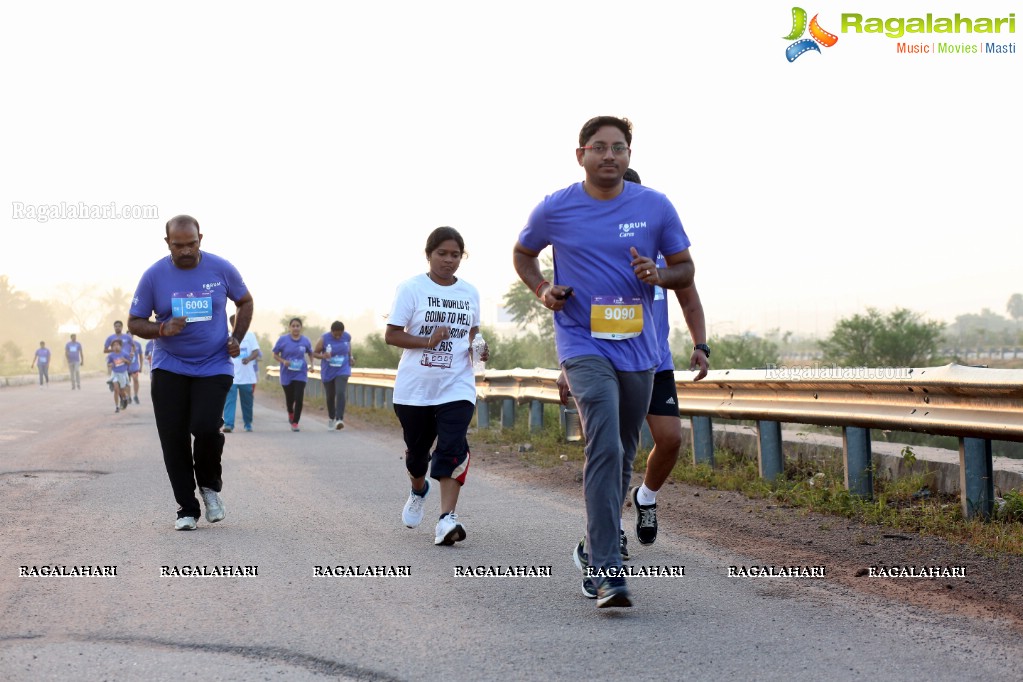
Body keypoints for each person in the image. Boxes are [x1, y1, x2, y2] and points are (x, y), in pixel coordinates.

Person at [513, 116, 694, 608]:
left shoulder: (655, 205)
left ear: (629, 156)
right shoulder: (556, 207)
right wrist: (543, 289)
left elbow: (686, 270)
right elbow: (523, 253)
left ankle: (597, 544)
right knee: (606, 445)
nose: (609, 155)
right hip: (581, 342)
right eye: (599, 147)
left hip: (639, 350)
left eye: (618, 148)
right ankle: (607, 570)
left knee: (622, 452)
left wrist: (658, 273)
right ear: (581, 155)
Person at [557, 168, 710, 570]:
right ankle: (603, 539)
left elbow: (689, 299)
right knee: (612, 449)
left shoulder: (663, 253)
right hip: (602, 361)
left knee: (671, 439)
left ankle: (646, 497)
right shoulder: (592, 254)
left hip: (652, 360)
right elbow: (571, 316)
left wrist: (700, 344)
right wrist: (566, 369)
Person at [128, 214, 253, 531]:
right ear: (167, 242)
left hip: (214, 363)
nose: (185, 251)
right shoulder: (154, 276)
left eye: (191, 244)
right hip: (170, 365)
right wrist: (161, 328)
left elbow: (245, 301)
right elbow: (135, 322)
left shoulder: (220, 268)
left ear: (201, 239)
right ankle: (187, 508)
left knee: (205, 427)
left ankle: (209, 486)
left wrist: (236, 337)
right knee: (174, 438)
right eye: (178, 245)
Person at [385, 226, 488, 546]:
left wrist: (480, 348)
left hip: (456, 385)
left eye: (455, 255)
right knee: (417, 457)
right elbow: (392, 335)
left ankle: (447, 519)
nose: (448, 260)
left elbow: (472, 333)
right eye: (442, 254)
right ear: (428, 254)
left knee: (453, 445)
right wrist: (427, 341)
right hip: (415, 389)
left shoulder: (470, 292)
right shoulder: (411, 288)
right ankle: (418, 491)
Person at [272, 318, 314, 432]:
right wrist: (283, 361)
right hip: (287, 374)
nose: (295, 328)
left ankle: (295, 422)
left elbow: (310, 353)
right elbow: (275, 354)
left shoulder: (305, 340)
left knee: (299, 398)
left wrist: (312, 365)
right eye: (293, 326)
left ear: (301, 327)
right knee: (290, 399)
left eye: (298, 326)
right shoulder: (283, 340)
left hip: (300, 373)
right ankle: (290, 411)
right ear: (290, 327)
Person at [223, 313, 261, 433]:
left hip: (247, 376)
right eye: (234, 321)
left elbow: (256, 352)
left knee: (247, 402)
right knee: (230, 400)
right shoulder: (227, 337)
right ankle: (229, 424)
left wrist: (249, 358)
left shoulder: (250, 336)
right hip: (232, 375)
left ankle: (248, 423)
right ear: (231, 323)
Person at [314, 321, 354, 430]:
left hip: (343, 369)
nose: (338, 336)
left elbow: (348, 348)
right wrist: (323, 356)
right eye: (335, 334)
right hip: (328, 371)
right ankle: (331, 417)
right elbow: (314, 353)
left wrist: (351, 357)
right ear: (331, 331)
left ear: (343, 332)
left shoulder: (347, 337)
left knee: (340, 392)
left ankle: (339, 418)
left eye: (340, 334)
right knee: (330, 396)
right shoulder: (323, 339)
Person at [104, 321, 134, 392]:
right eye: (116, 326)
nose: (117, 328)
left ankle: (126, 396)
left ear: (122, 327)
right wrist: (114, 350)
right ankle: (111, 381)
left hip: (125, 360)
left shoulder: (127, 337)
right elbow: (105, 350)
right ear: (114, 327)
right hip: (115, 360)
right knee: (116, 380)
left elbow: (133, 346)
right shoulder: (110, 338)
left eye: (119, 326)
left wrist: (132, 352)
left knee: (126, 381)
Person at [106, 339, 131, 411]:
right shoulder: (111, 355)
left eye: (117, 345)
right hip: (115, 374)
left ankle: (125, 398)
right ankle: (117, 406)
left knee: (122, 391)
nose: (116, 347)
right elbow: (108, 364)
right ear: (112, 347)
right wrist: (110, 365)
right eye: (114, 345)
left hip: (123, 373)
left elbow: (129, 363)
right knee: (116, 389)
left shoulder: (125, 354)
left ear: (120, 346)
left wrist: (125, 360)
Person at [128, 337, 144, 404]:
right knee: (127, 383)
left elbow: (140, 356)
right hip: (126, 367)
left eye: (131, 335)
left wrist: (141, 366)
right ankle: (129, 397)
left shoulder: (138, 344)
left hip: (135, 367)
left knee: (136, 380)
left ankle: (135, 395)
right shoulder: (123, 344)